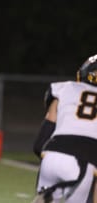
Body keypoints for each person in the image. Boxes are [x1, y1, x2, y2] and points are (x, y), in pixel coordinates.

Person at [32, 54, 97, 203]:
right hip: (83, 160)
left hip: (51, 155)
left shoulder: (64, 88)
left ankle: (47, 196)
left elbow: (39, 143)